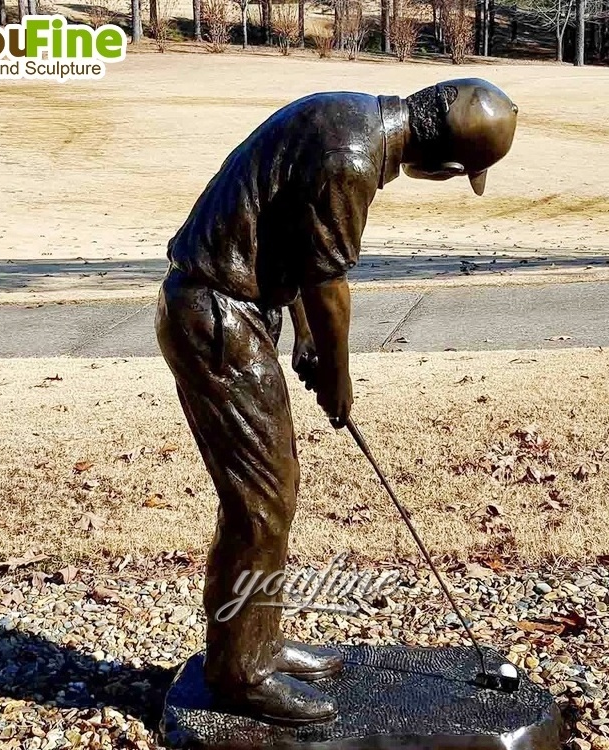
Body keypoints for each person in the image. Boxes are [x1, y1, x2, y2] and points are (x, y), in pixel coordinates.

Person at [156, 77, 518, 726]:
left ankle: (255, 643)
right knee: (260, 505)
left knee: (273, 495)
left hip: (236, 307)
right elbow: (329, 285)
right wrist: (338, 374)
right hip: (216, 315)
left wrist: (304, 343)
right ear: (437, 167)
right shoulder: (351, 160)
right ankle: (240, 672)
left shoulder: (351, 115)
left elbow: (289, 235)